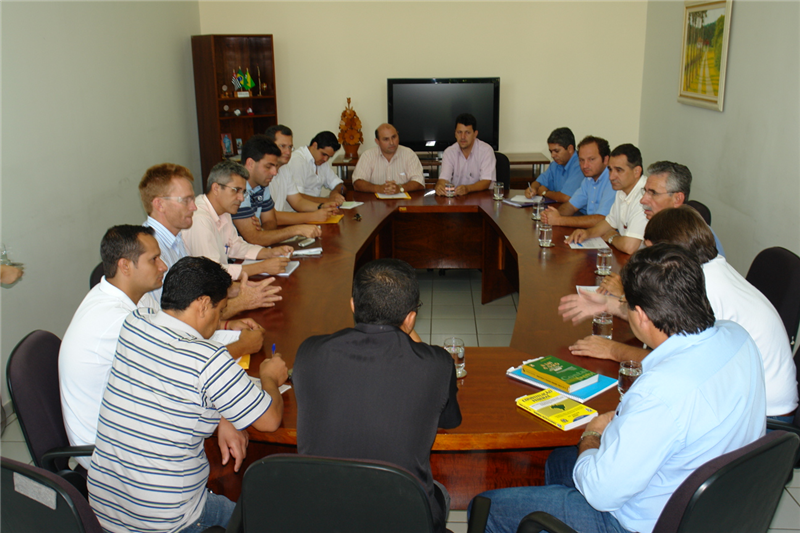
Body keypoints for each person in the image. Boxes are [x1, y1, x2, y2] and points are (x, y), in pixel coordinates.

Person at [475, 244, 766, 533]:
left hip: (637, 523)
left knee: (486, 507)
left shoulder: (659, 392)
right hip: (713, 506)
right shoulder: (738, 337)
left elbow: (601, 493)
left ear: (640, 316)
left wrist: (592, 434)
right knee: (558, 460)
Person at [88, 256, 288, 533]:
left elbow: (172, 384)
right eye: (220, 312)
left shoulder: (134, 323)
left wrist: (223, 417)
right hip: (167, 521)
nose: (218, 320)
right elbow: (269, 420)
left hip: (104, 509)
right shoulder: (208, 360)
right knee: (270, 522)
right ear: (204, 304)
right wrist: (270, 377)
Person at [561, 206, 797, 419]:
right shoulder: (711, 269)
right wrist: (607, 305)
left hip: (761, 415)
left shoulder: (702, 290)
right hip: (745, 394)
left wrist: (612, 350)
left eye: (649, 250)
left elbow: (673, 361)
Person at [293, 258, 461, 533]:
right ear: (410, 318)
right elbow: (450, 421)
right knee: (440, 490)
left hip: (323, 516)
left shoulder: (310, 351)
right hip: (403, 518)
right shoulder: (437, 364)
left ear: (352, 305)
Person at [60, 225, 167, 469]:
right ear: (125, 266)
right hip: (108, 454)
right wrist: (237, 344)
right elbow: (176, 371)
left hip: (126, 421)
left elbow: (173, 339)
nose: (163, 266)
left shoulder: (135, 294)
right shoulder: (117, 320)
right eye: (154, 259)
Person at [138, 163, 282, 316]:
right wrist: (241, 302)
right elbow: (173, 318)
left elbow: (195, 290)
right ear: (160, 204)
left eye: (192, 199)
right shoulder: (148, 252)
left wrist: (234, 289)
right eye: (186, 200)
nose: (194, 207)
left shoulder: (176, 238)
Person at [182, 160, 294, 280]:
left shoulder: (224, 211)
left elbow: (235, 246)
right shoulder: (199, 219)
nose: (241, 198)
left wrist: (270, 253)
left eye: (243, 192)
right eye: (236, 190)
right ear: (216, 188)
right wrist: (262, 267)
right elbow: (211, 273)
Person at [231, 134, 326, 246]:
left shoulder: (262, 185)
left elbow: (271, 221)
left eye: (275, 166)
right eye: (268, 167)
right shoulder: (236, 189)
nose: (274, 172)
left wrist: (262, 232)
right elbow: (254, 238)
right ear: (250, 164)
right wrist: (295, 230)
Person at [566, 144, 647, 253]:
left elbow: (629, 247)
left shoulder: (645, 196)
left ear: (637, 171)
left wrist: (611, 237)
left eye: (619, 170)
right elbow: (609, 222)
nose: (611, 177)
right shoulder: (621, 190)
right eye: (610, 169)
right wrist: (587, 233)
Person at [638, 160, 725, 256]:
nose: (643, 200)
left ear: (677, 199)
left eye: (653, 193)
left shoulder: (689, 241)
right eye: (645, 191)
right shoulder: (663, 227)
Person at [540, 135, 616, 228]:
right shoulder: (588, 179)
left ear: (605, 160)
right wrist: (553, 214)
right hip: (594, 234)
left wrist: (559, 220)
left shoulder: (613, 180)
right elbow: (571, 206)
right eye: (581, 160)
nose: (585, 166)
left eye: (591, 159)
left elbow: (601, 219)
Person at [352, 123, 425, 194]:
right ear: (377, 141)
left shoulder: (409, 154)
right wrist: (378, 188)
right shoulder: (368, 156)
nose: (391, 142)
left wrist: (400, 188)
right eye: (386, 139)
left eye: (394, 137)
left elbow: (419, 182)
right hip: (376, 203)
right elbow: (357, 183)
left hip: (404, 203)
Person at [435, 113, 496, 196]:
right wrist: (440, 186)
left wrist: (468, 189)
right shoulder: (449, 152)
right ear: (455, 133)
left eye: (467, 132)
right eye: (459, 132)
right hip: (457, 200)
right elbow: (444, 179)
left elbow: (486, 181)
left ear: (475, 134)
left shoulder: (486, 151)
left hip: (482, 199)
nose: (463, 137)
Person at [283, 130, 345, 204]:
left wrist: (335, 193)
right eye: (323, 154)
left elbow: (341, 185)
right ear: (314, 145)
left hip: (315, 209)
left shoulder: (322, 162)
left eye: (329, 157)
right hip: (296, 213)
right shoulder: (297, 161)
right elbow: (298, 197)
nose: (325, 159)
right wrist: (328, 200)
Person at [524, 127, 584, 203]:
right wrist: (532, 189)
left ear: (570, 149)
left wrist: (545, 193)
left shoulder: (581, 165)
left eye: (556, 151)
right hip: (560, 208)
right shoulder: (556, 164)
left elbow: (566, 198)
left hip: (580, 213)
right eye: (551, 151)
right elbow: (539, 182)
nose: (552, 155)